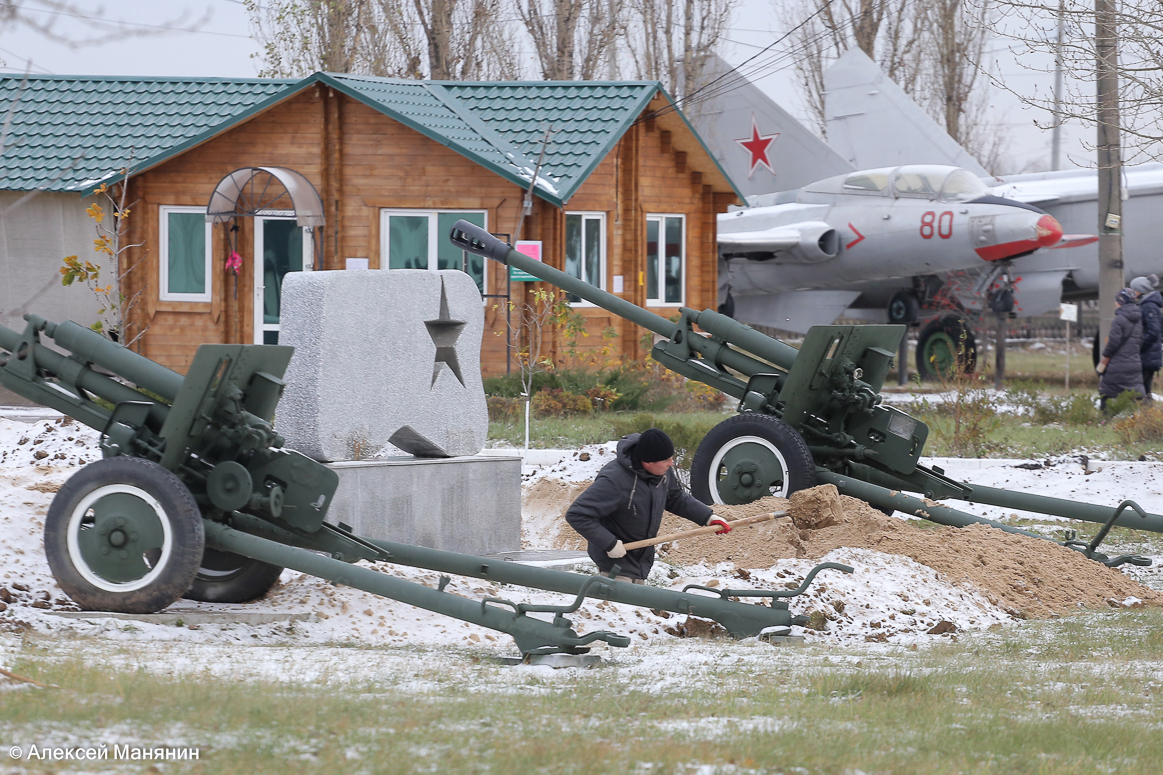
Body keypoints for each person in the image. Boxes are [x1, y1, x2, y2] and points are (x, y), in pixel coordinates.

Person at [565, 429, 731, 584]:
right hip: (615, 562)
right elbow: (577, 514)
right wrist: (609, 543)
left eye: (671, 458)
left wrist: (707, 517)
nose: (671, 464)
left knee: (638, 608)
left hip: (641, 558)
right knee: (622, 610)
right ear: (647, 462)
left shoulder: (662, 472)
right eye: (666, 460)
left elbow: (675, 497)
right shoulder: (614, 481)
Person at [1097, 287, 1145, 413]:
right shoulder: (1139, 319)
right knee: (1134, 392)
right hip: (1134, 362)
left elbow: (1113, 342)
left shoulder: (1119, 319)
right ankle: (1138, 418)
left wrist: (1106, 355)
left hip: (1119, 363)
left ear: (1122, 301)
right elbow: (1140, 340)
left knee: (1105, 391)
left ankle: (1104, 418)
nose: (1115, 303)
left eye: (1117, 300)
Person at [1131, 274, 1161, 401]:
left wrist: (1140, 345)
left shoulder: (1149, 306)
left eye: (1133, 290)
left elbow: (1153, 331)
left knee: (1139, 389)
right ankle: (1146, 416)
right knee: (1144, 389)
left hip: (1147, 355)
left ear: (1140, 290)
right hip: (1149, 354)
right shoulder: (1147, 304)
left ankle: (1143, 416)